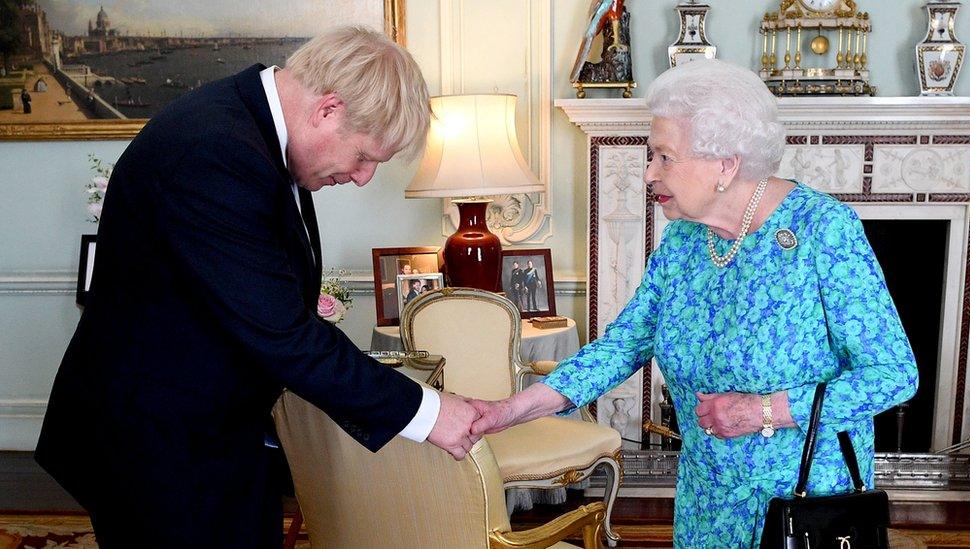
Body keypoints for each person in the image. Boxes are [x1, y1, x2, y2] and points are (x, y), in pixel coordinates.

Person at [35, 27, 480, 548]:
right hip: (157, 447)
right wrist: (429, 413)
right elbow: (284, 333)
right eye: (365, 156)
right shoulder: (216, 151)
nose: (363, 177)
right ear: (329, 110)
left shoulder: (256, 133)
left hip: (211, 431)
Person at [468, 59, 918, 548]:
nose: (647, 174)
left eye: (663, 157)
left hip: (804, 501)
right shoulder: (685, 239)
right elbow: (622, 346)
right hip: (707, 496)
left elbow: (893, 374)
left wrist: (764, 411)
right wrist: (513, 410)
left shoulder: (823, 231)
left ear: (725, 164)